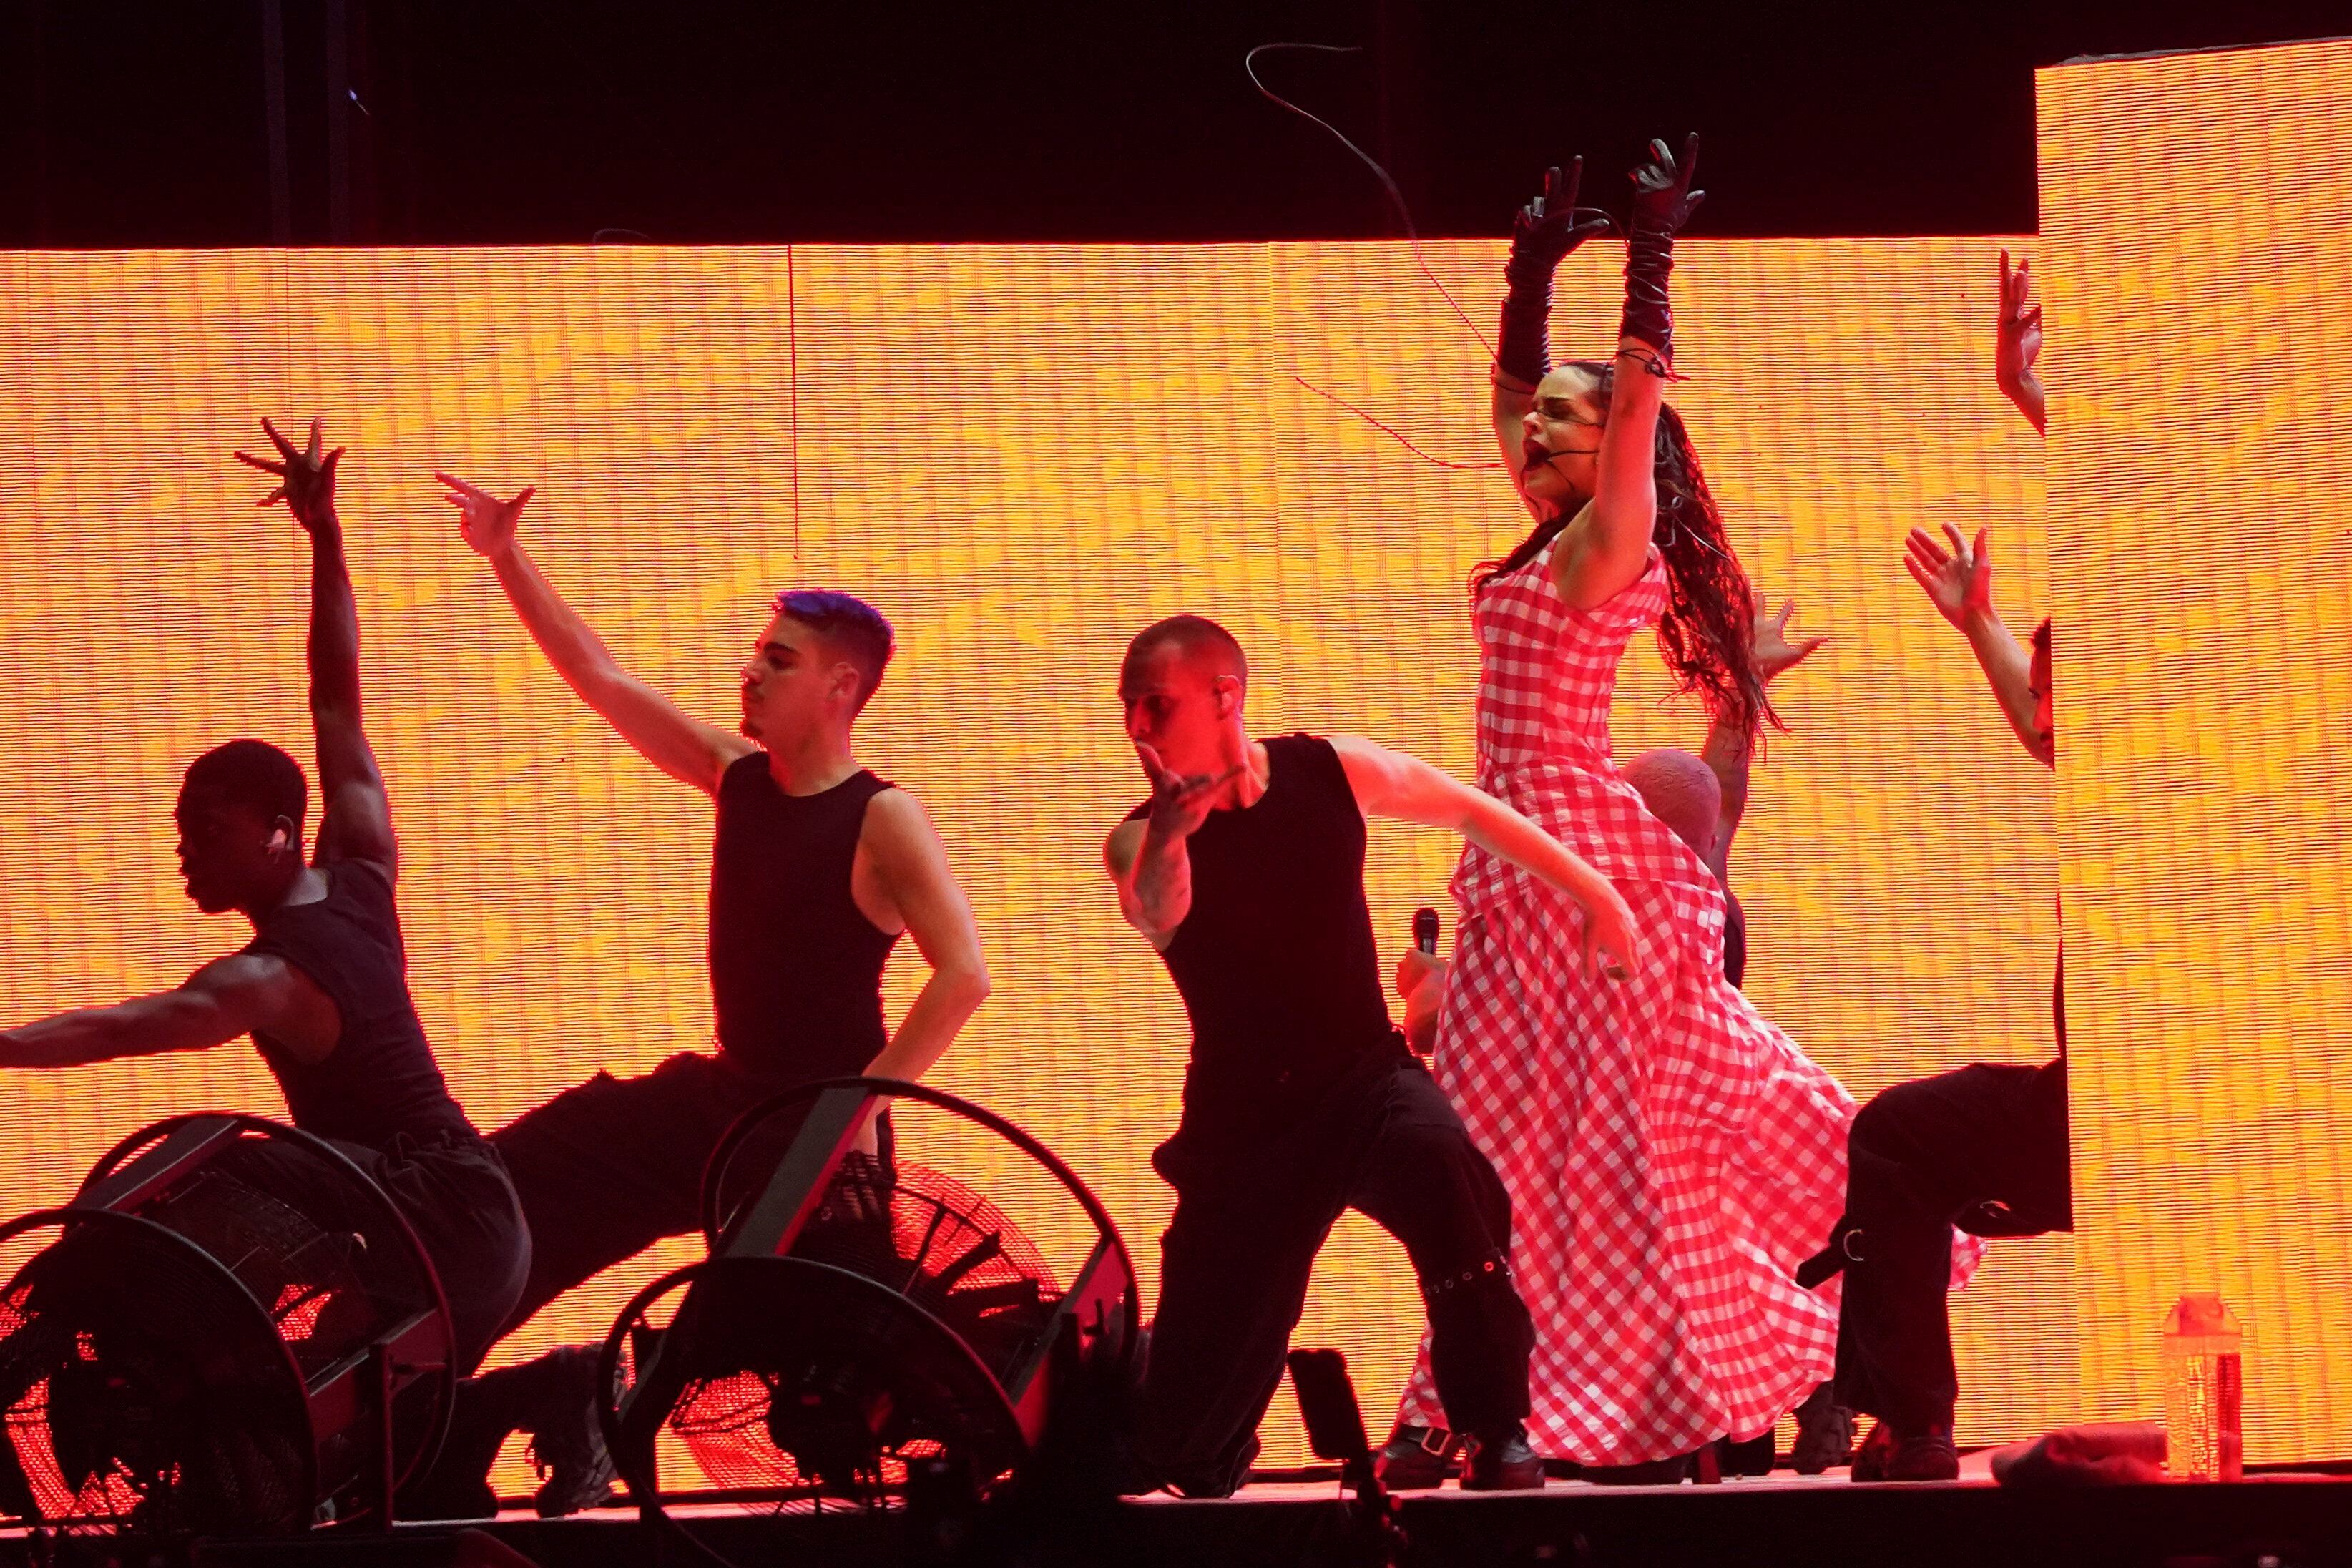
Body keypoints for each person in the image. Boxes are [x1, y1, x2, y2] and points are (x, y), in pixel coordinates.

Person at [1381, 139, 1857, 1485]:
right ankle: (1473, 1404)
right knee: (1487, 1151)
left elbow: (1637, 400)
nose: (1533, 432)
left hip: (1582, 866)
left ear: (1614, 455)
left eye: (1562, 426)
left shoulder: (1608, 544)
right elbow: (1509, 393)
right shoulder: (1539, 538)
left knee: (1613, 1155)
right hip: (1510, 867)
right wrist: (1528, 267)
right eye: (1536, 422)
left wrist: (1650, 255)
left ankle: (1639, 1392)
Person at [413, 474, 991, 1516]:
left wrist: (852, 1110)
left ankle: (602, 1397)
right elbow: (598, 677)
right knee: (513, 1188)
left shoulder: (881, 818)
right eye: (756, 653)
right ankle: (427, 1410)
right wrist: (503, 553)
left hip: (811, 1139)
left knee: (801, 1362)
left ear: (842, 689)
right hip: (721, 1103)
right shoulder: (737, 777)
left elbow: (965, 975)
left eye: (778, 659)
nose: (751, 671)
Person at [0, 417, 531, 1374]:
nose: (185, 853)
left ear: (279, 834)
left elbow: (122, 1027)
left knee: (221, 1154)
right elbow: (336, 690)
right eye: (179, 832)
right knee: (325, 1448)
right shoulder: (362, 867)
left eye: (206, 830)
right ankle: (568, 1385)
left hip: (437, 1216)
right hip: (473, 1222)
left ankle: (90, 1339)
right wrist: (325, 536)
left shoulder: (271, 977)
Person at [1104, 614, 1638, 1497]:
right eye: (1128, 709)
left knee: (1450, 1172)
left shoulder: (1330, 770)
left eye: (1154, 705)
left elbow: (1465, 804)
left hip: (1363, 1076)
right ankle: (1198, 1444)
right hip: (1246, 1126)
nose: (1136, 727)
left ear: (1224, 695)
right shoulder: (1139, 836)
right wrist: (1169, 829)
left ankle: (1497, 1431)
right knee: (1181, 1446)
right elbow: (1156, 910)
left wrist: (1595, 890)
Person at [1806, 248, 2068, 1484]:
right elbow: (2036, 721)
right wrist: (1977, 622)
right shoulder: (2093, 741)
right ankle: (1910, 1423)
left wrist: (2036, 396)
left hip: (2215, 1099)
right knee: (1899, 1136)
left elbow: (2149, 500)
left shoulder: (2189, 742)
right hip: (2094, 1104)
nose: (2045, 702)